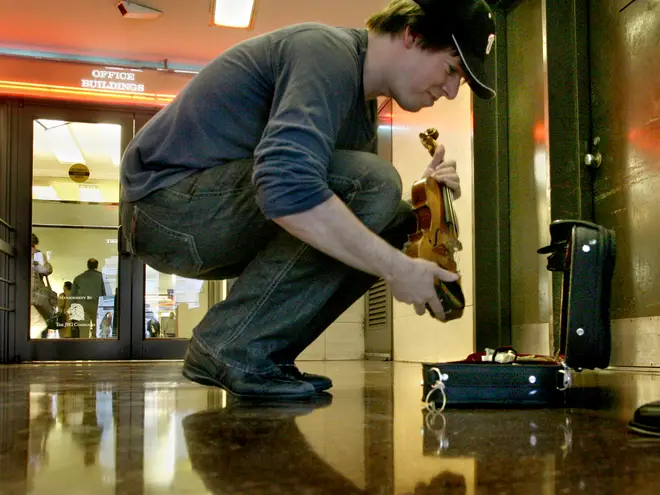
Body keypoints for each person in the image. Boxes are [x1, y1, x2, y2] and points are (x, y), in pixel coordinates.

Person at [119, 0, 497, 398]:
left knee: (395, 219)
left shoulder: (359, 109)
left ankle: (262, 352)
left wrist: (425, 193)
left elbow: (335, 201)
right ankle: (229, 347)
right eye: (452, 69)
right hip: (165, 210)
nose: (452, 91)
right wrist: (397, 269)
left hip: (203, 214)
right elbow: (286, 185)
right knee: (375, 183)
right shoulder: (325, 52)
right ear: (412, 35)